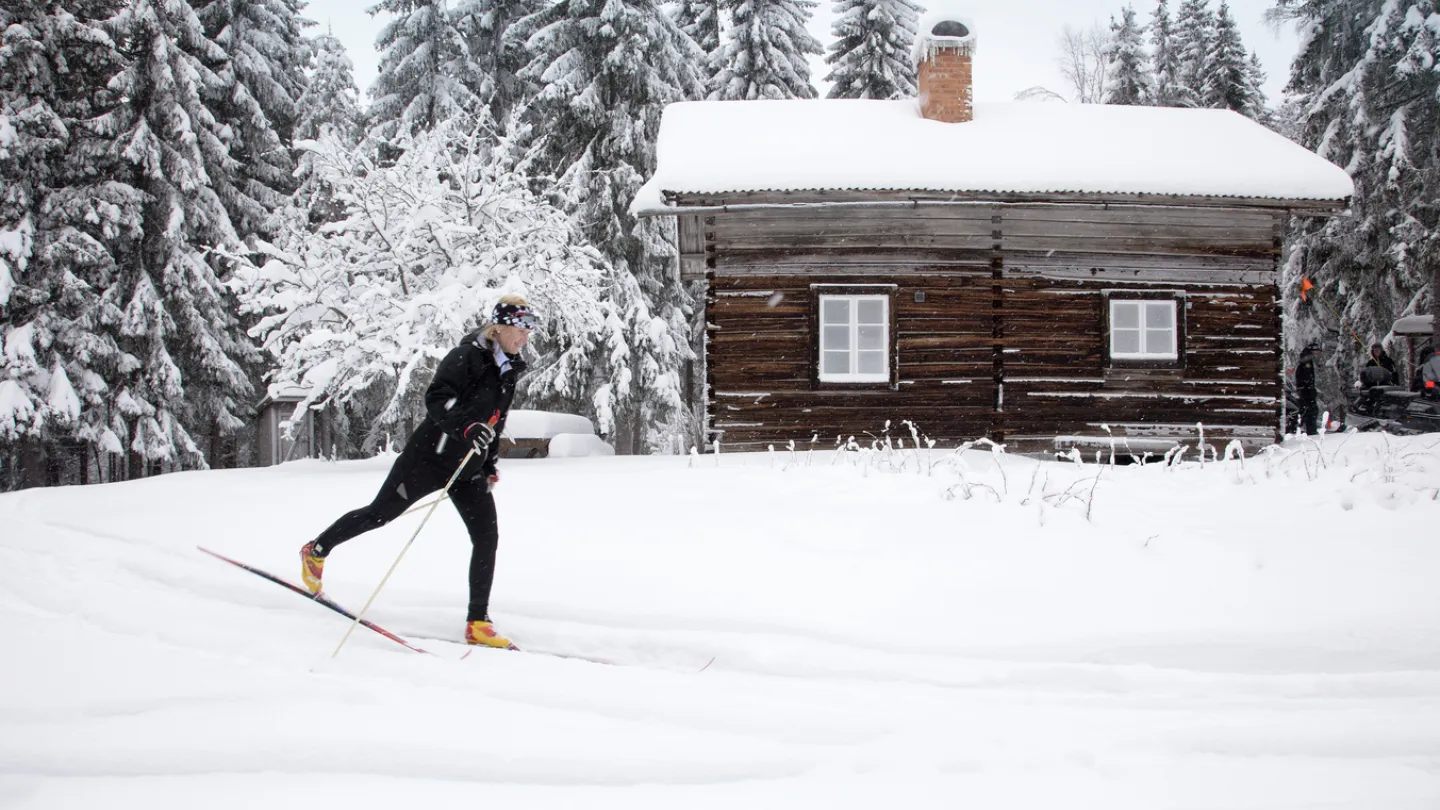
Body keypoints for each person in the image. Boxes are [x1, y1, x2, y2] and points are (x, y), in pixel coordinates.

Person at [299, 295, 538, 647]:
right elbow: (438, 398)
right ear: (499, 327)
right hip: (428, 459)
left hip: (467, 469)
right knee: (379, 514)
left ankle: (477, 622)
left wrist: (488, 463)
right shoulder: (466, 356)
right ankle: (317, 550)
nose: (525, 338)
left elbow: (495, 420)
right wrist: (466, 427)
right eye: (520, 330)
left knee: (486, 538)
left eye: (528, 332)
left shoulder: (508, 371)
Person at [1295, 343, 1319, 435]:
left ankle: (1306, 429)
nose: (1317, 355)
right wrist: (1309, 388)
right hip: (1306, 391)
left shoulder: (1305, 359)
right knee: (1311, 411)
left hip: (1305, 390)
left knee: (1306, 410)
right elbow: (1306, 376)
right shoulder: (1307, 361)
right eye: (1316, 352)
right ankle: (1311, 430)